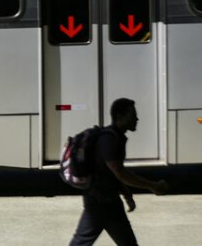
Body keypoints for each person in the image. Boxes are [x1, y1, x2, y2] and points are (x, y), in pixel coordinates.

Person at [70, 98, 169, 246]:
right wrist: (152, 185)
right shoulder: (109, 139)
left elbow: (110, 173)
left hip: (108, 200)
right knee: (82, 242)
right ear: (119, 116)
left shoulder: (115, 137)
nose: (136, 118)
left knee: (127, 243)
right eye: (132, 115)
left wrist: (125, 192)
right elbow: (120, 172)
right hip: (100, 201)